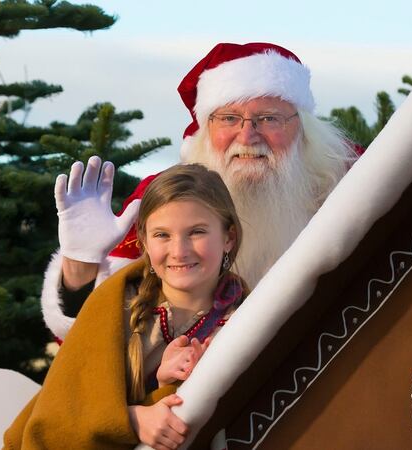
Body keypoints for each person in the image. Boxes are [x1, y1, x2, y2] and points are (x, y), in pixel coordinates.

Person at [42, 42, 359, 341]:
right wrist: (81, 264)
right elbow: (87, 345)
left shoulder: (347, 186)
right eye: (229, 118)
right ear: (205, 130)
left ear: (303, 129)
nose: (247, 136)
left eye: (269, 118)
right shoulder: (163, 198)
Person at [4, 164, 248, 450]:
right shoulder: (115, 306)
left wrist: (165, 385)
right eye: (162, 235)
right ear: (143, 240)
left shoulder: (245, 320)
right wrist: (131, 420)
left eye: (196, 232)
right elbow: (56, 423)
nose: (179, 251)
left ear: (228, 237)